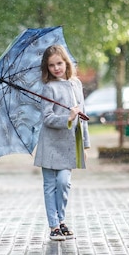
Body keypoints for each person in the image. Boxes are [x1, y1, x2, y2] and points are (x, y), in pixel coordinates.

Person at [34, 44, 90, 241]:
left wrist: (85, 144)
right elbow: (47, 118)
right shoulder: (48, 89)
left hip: (68, 145)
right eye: (51, 65)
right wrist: (67, 117)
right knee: (50, 185)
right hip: (49, 144)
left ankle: (61, 219)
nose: (56, 68)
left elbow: (82, 117)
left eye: (59, 63)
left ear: (66, 63)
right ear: (47, 68)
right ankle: (54, 225)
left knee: (64, 182)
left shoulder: (76, 85)